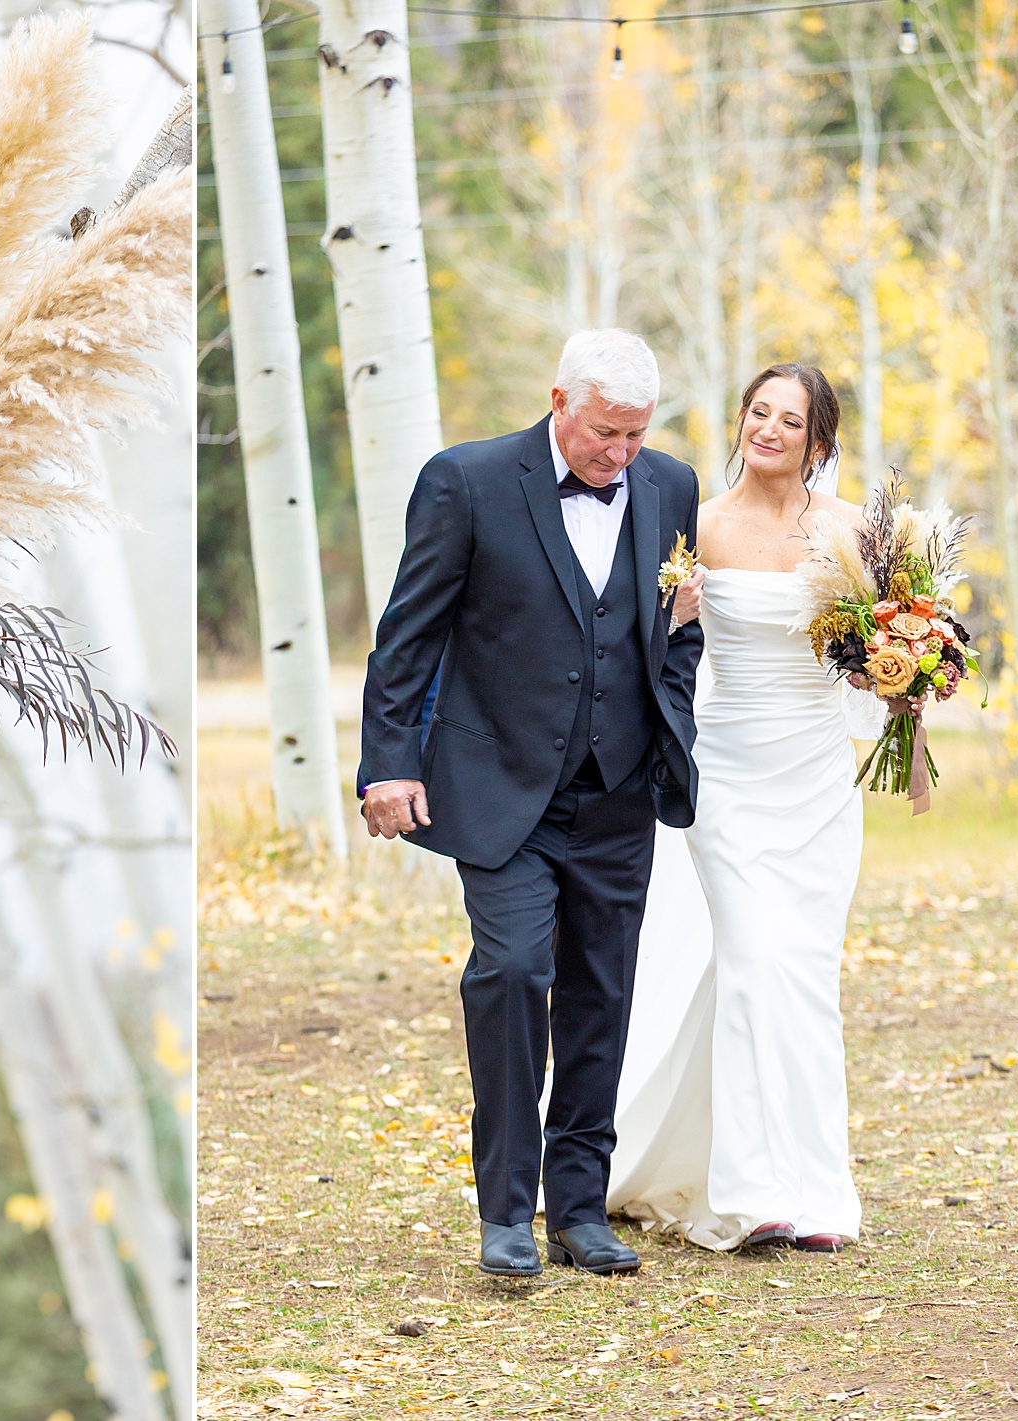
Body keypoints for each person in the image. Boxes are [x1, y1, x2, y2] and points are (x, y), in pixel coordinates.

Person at [359, 329, 705, 1277]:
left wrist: (668, 724)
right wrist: (388, 763)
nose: (621, 454)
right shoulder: (465, 482)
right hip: (502, 788)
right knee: (511, 974)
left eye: (636, 435)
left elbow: (679, 631)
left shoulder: (673, 487)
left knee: (603, 993)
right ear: (559, 400)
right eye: (605, 433)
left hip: (621, 793)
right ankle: (506, 1211)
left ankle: (581, 1207)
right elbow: (408, 636)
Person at [606, 363, 867, 1253]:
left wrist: (907, 665)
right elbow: (655, 646)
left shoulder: (854, 531)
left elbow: (868, 662)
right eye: (759, 412)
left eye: (789, 420)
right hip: (728, 773)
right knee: (754, 959)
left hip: (817, 777)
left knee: (805, 972)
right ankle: (755, 1193)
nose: (768, 429)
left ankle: (822, 1191)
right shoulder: (700, 526)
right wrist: (668, 616)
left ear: (818, 441)